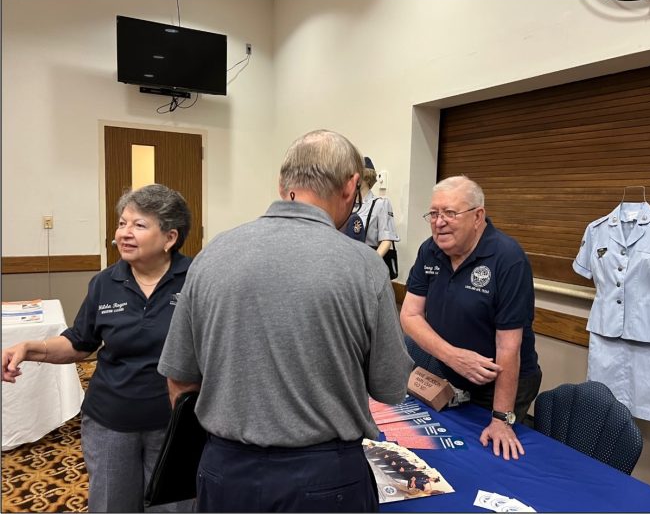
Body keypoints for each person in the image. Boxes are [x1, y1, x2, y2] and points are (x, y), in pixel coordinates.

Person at [157, 129, 414, 513]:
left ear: (281, 184)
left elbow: (179, 379)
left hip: (226, 471)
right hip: (326, 478)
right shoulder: (365, 267)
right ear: (351, 187)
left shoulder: (212, 255)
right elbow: (391, 387)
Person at [2, 184, 193, 513]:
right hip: (110, 423)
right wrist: (30, 348)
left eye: (139, 225)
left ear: (170, 238)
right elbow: (79, 342)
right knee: (110, 505)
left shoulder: (196, 280)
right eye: (122, 223)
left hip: (174, 426)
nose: (124, 233)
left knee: (174, 507)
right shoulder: (105, 282)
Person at [400, 175, 541, 461]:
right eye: (434, 213)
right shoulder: (430, 250)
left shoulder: (508, 259)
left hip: (501, 381)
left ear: (478, 217)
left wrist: (501, 418)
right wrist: (452, 357)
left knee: (489, 454)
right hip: (455, 374)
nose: (439, 222)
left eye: (450, 213)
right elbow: (410, 315)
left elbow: (508, 347)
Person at [344, 156, 400, 258]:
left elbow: (386, 241)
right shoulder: (347, 204)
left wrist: (372, 263)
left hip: (369, 259)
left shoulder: (380, 204)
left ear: (365, 177)